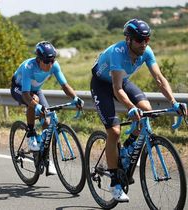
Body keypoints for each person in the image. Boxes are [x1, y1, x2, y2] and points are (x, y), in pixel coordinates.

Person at [90, 19, 187, 202]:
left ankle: (126, 150)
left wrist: (173, 102)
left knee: (147, 110)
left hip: (122, 81)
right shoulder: (118, 52)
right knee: (114, 131)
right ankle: (115, 184)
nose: (143, 43)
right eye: (139, 40)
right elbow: (116, 88)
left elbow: (159, 79)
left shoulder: (146, 51)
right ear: (128, 40)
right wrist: (131, 108)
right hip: (102, 84)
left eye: (147, 39)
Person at [11, 41, 84, 175]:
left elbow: (65, 86)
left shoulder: (54, 66)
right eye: (47, 61)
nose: (50, 64)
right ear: (39, 59)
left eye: (52, 60)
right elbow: (27, 96)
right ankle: (31, 134)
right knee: (35, 101)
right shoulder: (29, 67)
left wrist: (74, 97)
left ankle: (45, 158)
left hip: (35, 90)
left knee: (46, 122)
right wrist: (36, 106)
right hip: (20, 89)